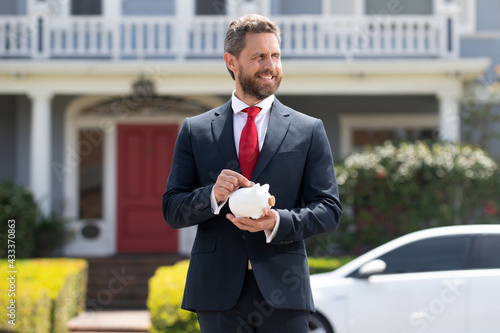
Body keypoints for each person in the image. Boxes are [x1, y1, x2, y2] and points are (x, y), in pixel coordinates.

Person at [162, 14, 342, 333]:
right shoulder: (196, 131)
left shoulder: (308, 130)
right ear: (231, 61)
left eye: (275, 55)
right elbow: (172, 209)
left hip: (285, 290)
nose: (270, 65)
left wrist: (279, 222)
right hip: (217, 291)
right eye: (259, 56)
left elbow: (328, 210)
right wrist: (212, 196)